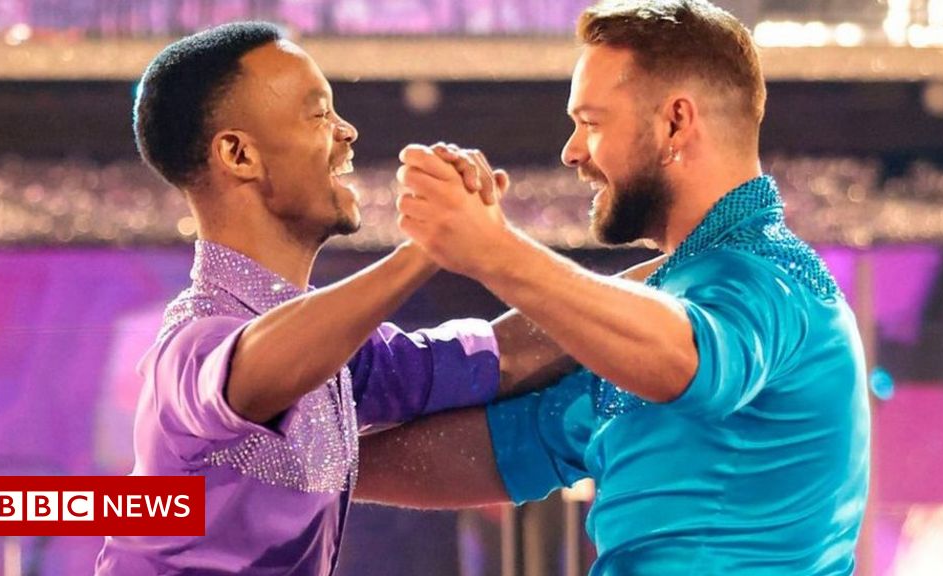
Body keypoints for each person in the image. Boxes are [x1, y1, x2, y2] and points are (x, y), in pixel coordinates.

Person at [356, 1, 870, 573]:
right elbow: (514, 443)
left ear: (675, 122)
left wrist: (494, 250)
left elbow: (688, 361)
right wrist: (308, 462)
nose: (571, 151)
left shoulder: (775, 279)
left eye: (592, 123)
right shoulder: (675, 289)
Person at [94, 21, 607, 575]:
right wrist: (427, 248)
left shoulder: (341, 361)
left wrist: (671, 271)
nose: (347, 131)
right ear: (239, 154)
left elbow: (505, 356)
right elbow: (257, 368)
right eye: (319, 114)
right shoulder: (191, 345)